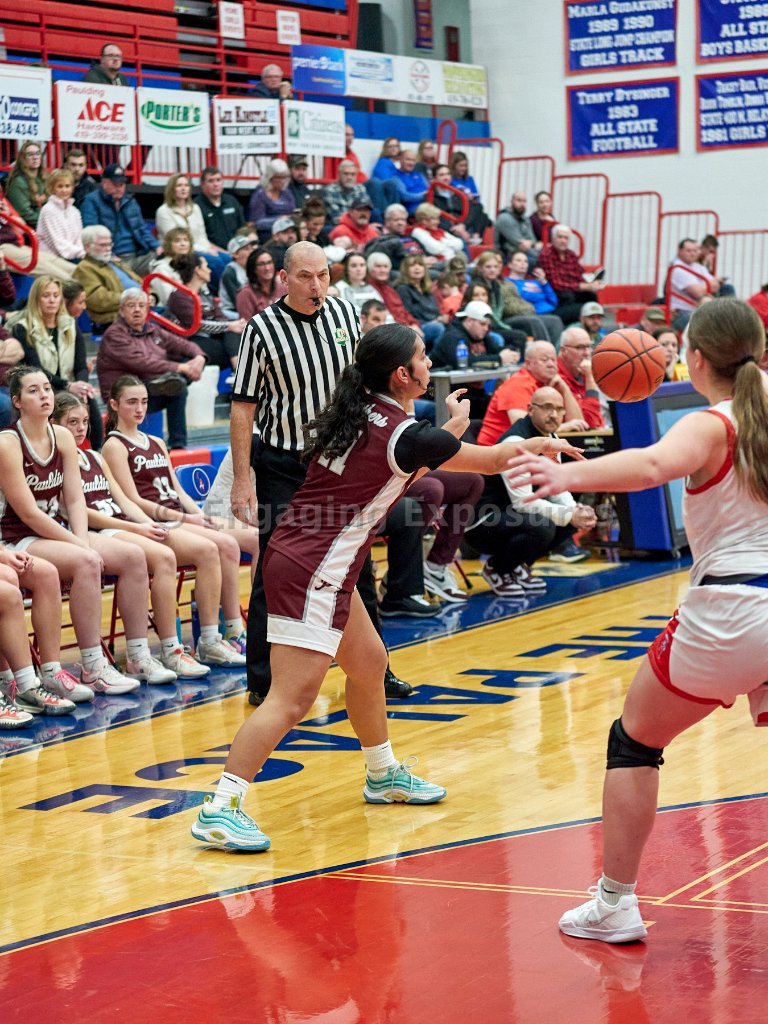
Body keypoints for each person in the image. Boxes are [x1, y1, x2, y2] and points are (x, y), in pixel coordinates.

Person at [193, 322, 583, 850]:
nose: (430, 363)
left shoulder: (358, 410)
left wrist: (477, 434)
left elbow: (440, 463)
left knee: (370, 664)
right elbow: (481, 458)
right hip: (315, 565)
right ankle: (220, 807)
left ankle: (382, 773)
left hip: (312, 554)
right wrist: (506, 436)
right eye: (423, 356)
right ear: (402, 373)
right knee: (291, 698)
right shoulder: (410, 435)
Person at [505, 298, 768, 943]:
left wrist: (565, 473)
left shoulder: (713, 423)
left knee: (635, 742)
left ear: (694, 359)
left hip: (732, 612)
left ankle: (614, 904)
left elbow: (652, 465)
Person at [230, 241, 415, 705]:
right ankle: (262, 680)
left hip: (340, 460)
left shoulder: (346, 314)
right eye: (305, 276)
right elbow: (242, 407)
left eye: (323, 275)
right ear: (284, 279)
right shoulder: (261, 330)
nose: (316, 285)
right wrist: (242, 478)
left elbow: (367, 385)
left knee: (357, 563)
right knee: (274, 568)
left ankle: (376, 670)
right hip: (283, 462)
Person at [0, 365, 142, 697]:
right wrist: (81, 548)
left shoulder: (61, 437)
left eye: (47, 388)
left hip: (53, 532)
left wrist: (81, 540)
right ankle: (87, 667)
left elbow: (76, 499)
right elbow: (29, 513)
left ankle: (114, 662)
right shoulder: (8, 443)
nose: (44, 395)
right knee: (86, 561)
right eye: (33, 391)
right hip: (16, 535)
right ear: (17, 401)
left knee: (115, 557)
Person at [102, 375, 255, 664]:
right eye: (131, 402)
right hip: (155, 520)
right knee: (213, 548)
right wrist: (186, 518)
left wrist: (199, 515)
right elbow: (133, 500)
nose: (139, 408)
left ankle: (238, 629)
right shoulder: (114, 446)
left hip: (179, 515)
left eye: (144, 402)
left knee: (247, 540)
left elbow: (178, 490)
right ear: (114, 404)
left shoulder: (157, 441)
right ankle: (209, 640)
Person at [471, 385, 595, 595]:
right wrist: (568, 514)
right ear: (530, 409)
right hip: (484, 520)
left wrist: (575, 512)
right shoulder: (516, 442)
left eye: (559, 409)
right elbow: (523, 502)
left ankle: (517, 564)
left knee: (571, 519)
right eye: (547, 407)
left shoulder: (551, 438)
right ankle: (497, 568)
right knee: (544, 526)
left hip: (513, 515)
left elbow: (556, 487)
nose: (554, 414)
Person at [96, 288, 205, 451]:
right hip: (122, 394)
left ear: (147, 309)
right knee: (177, 378)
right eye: (131, 306)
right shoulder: (114, 334)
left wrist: (199, 357)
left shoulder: (152, 329)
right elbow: (142, 363)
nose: (137, 310)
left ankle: (178, 445)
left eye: (141, 305)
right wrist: (180, 367)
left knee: (178, 386)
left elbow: (182, 344)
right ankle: (167, 381)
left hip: (149, 386)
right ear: (122, 310)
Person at [6, 276, 101, 443]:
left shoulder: (70, 324)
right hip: (41, 388)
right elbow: (36, 369)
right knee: (58, 401)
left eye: (56, 295)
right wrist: (68, 385)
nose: (52, 300)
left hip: (68, 385)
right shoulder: (22, 328)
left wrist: (82, 385)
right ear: (36, 299)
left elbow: (80, 365)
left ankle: (97, 451)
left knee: (88, 398)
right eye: (46, 295)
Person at [477, 339, 587, 445]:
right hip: (496, 450)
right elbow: (524, 427)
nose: (551, 364)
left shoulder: (553, 384)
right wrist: (565, 427)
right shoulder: (517, 384)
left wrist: (565, 389)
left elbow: (580, 424)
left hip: (530, 448)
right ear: (528, 363)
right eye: (544, 360)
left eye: (553, 360)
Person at [430, 300, 518, 419]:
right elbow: (465, 363)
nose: (486, 328)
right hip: (443, 393)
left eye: (488, 325)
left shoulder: (481, 335)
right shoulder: (453, 336)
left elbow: (497, 350)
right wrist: (500, 359)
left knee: (503, 404)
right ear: (469, 321)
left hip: (468, 393)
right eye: (482, 324)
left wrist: (511, 353)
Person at [166, 254, 246, 374]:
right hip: (189, 341)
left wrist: (233, 325)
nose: (209, 270)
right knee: (232, 336)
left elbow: (221, 318)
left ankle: (238, 370)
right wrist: (228, 326)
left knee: (237, 332)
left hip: (210, 338)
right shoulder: (179, 295)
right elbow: (196, 326)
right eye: (206, 267)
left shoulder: (205, 294)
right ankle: (239, 371)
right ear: (197, 270)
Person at [80, 164, 160, 276]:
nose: (119, 188)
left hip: (137, 256)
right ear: (104, 183)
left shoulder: (130, 201)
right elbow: (91, 234)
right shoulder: (91, 201)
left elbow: (142, 229)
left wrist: (157, 247)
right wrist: (110, 255)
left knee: (167, 261)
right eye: (115, 184)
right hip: (109, 258)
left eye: (122, 184)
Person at [154, 173, 229, 286]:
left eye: (186, 185)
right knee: (215, 262)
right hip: (180, 251)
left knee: (228, 259)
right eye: (179, 185)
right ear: (172, 189)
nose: (183, 188)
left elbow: (202, 235)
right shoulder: (164, 211)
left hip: (202, 247)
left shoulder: (195, 208)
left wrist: (210, 248)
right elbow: (176, 239)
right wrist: (205, 250)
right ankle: (219, 292)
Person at [0, 181, 77, 281]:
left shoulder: (2, 202)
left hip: (15, 244)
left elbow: (21, 229)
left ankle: (90, 279)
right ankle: (74, 286)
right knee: (55, 273)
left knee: (63, 265)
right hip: (3, 248)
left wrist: (9, 215)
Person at [73, 225, 143, 329]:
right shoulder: (84, 269)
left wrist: (152, 295)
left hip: (140, 309)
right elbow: (98, 300)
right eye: (103, 245)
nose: (108, 249)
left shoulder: (115, 262)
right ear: (87, 247)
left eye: (110, 244)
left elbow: (139, 282)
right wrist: (133, 299)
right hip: (117, 318)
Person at [537, 224, 604, 324]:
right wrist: (583, 286)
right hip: (558, 298)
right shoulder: (546, 255)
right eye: (560, 237)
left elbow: (580, 275)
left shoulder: (571, 254)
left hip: (572, 293)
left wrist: (592, 284)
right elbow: (555, 284)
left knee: (591, 295)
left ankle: (594, 323)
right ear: (553, 238)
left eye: (566, 238)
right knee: (570, 297)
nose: (563, 241)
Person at [505, 251, 564, 344]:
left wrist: (544, 282)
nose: (523, 263)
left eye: (525, 261)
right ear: (510, 264)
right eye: (518, 260)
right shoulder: (507, 282)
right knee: (552, 320)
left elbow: (553, 301)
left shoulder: (536, 282)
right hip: (527, 315)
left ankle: (556, 350)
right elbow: (518, 300)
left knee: (557, 319)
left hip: (547, 312)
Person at [669, 238, 726, 330]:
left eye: (695, 250)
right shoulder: (677, 269)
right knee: (712, 322)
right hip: (683, 312)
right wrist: (708, 285)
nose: (692, 253)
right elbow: (697, 292)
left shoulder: (698, 266)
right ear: (680, 251)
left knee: (727, 288)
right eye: (688, 250)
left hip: (697, 309)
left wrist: (704, 286)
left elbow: (716, 286)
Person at [557, 326, 605, 428]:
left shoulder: (583, 371)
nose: (587, 353)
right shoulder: (557, 377)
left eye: (589, 346)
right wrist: (590, 377)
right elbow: (589, 423)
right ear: (563, 350)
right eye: (580, 347)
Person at [394, 254, 447, 345]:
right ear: (405, 270)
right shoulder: (402, 289)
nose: (417, 268)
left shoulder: (426, 288)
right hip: (418, 326)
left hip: (434, 322)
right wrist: (432, 321)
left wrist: (440, 317)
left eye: (420, 265)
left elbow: (435, 309)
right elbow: (407, 314)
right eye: (412, 265)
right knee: (438, 328)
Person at [363, 203, 429, 273]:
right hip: (403, 272)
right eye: (396, 220)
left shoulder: (413, 239)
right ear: (387, 222)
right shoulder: (384, 242)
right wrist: (420, 263)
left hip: (423, 268)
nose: (400, 223)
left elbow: (428, 256)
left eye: (403, 220)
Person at [36, 169, 85, 263]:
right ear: (52, 188)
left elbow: (79, 238)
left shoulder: (75, 211)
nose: (64, 190)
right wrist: (82, 254)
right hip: (49, 259)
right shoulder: (48, 210)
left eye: (67, 186)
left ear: (72, 188)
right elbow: (58, 242)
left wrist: (83, 253)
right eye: (60, 186)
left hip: (71, 257)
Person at [194, 167, 244, 252]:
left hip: (237, 249)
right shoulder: (196, 206)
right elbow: (200, 238)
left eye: (218, 180)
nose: (216, 184)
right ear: (202, 185)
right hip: (211, 251)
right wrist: (224, 253)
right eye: (211, 181)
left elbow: (241, 229)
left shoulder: (231, 201)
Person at [246, 160, 295, 242]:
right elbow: (256, 223)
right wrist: (278, 220)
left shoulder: (287, 193)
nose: (283, 181)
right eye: (279, 177)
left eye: (285, 177)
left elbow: (292, 211)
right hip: (267, 235)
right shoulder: (260, 195)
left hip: (288, 232)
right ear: (270, 177)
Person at [235, 246, 288, 320]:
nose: (267, 268)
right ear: (254, 269)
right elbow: (246, 324)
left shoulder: (283, 288)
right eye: (261, 264)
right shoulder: (245, 293)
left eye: (269, 262)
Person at [5, 140, 47, 230]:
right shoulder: (18, 182)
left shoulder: (43, 178)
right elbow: (25, 214)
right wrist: (48, 221)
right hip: (29, 228)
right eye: (30, 154)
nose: (35, 157)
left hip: (42, 223)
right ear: (23, 158)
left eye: (37, 153)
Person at [148, 226, 194, 306]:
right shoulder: (161, 268)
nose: (183, 244)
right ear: (169, 245)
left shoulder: (193, 262)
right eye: (177, 241)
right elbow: (168, 299)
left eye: (186, 240)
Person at [494, 191, 540, 265]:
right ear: (512, 201)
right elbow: (519, 243)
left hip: (524, 254)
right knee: (537, 262)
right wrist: (538, 257)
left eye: (524, 201)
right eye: (519, 200)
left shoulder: (526, 220)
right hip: (506, 255)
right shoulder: (504, 218)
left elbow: (533, 240)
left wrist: (531, 244)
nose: (522, 204)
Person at [219, 234, 258, 320]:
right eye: (246, 249)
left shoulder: (254, 268)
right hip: (232, 311)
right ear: (235, 254)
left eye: (251, 248)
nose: (251, 252)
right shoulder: (230, 272)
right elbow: (237, 301)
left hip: (252, 308)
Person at [322, 161, 373, 226]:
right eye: (346, 174)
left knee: (376, 214)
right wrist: (365, 225)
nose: (349, 177)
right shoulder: (329, 191)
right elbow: (337, 218)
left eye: (353, 174)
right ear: (339, 175)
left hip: (360, 224)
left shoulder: (361, 188)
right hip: (339, 226)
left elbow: (367, 212)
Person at [390, 150, 429, 216]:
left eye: (413, 160)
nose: (411, 163)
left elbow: (429, 188)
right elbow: (405, 196)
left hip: (428, 204)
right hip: (413, 209)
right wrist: (422, 196)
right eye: (408, 159)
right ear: (400, 160)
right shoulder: (396, 177)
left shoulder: (419, 174)